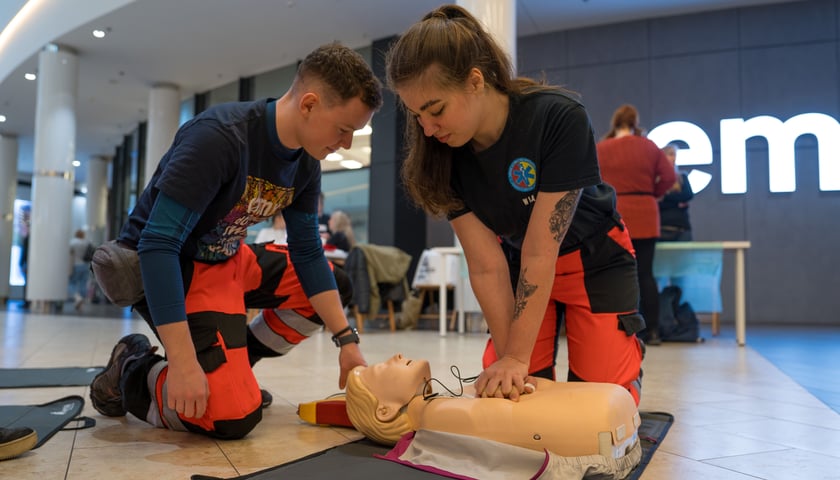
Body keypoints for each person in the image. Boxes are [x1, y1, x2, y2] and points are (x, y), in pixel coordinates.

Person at [89, 42, 382, 440]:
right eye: (344, 129)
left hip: (230, 259)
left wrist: (347, 341)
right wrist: (184, 363)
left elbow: (309, 253)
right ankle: (133, 370)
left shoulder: (306, 164)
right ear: (309, 104)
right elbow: (157, 246)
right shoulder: (219, 137)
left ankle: (233, 361)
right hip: (176, 268)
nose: (346, 143)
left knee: (335, 284)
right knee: (230, 418)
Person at [386, 5, 644, 405]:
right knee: (509, 396)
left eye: (435, 110)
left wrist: (516, 356)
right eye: (417, 114)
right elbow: (486, 264)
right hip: (515, 267)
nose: (428, 128)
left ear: (475, 81)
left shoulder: (558, 117)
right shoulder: (441, 156)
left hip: (593, 261)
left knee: (604, 400)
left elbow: (543, 249)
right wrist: (512, 361)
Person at [344, 354, 641, 478]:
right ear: (385, 411)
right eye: (382, 368)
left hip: (608, 422)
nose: (394, 356)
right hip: (603, 427)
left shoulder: (441, 406)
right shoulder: (435, 416)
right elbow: (503, 415)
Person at [596, 105, 675, 345]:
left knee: (615, 275)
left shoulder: (602, 148)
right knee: (646, 274)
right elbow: (670, 177)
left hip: (614, 214)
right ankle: (652, 331)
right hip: (646, 214)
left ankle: (619, 331)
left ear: (615, 123)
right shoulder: (648, 146)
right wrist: (654, 194)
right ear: (634, 123)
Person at [658, 145, 694, 242]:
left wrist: (665, 197)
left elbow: (688, 195)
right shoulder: (656, 179)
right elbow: (656, 202)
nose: (673, 158)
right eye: (670, 154)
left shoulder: (682, 177)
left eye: (674, 155)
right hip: (662, 227)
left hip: (682, 227)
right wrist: (677, 203)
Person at [68, 229, 94, 310]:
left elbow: (69, 253)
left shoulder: (73, 242)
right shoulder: (87, 242)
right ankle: (81, 301)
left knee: (72, 283)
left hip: (76, 265)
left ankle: (77, 297)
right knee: (83, 283)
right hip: (85, 265)